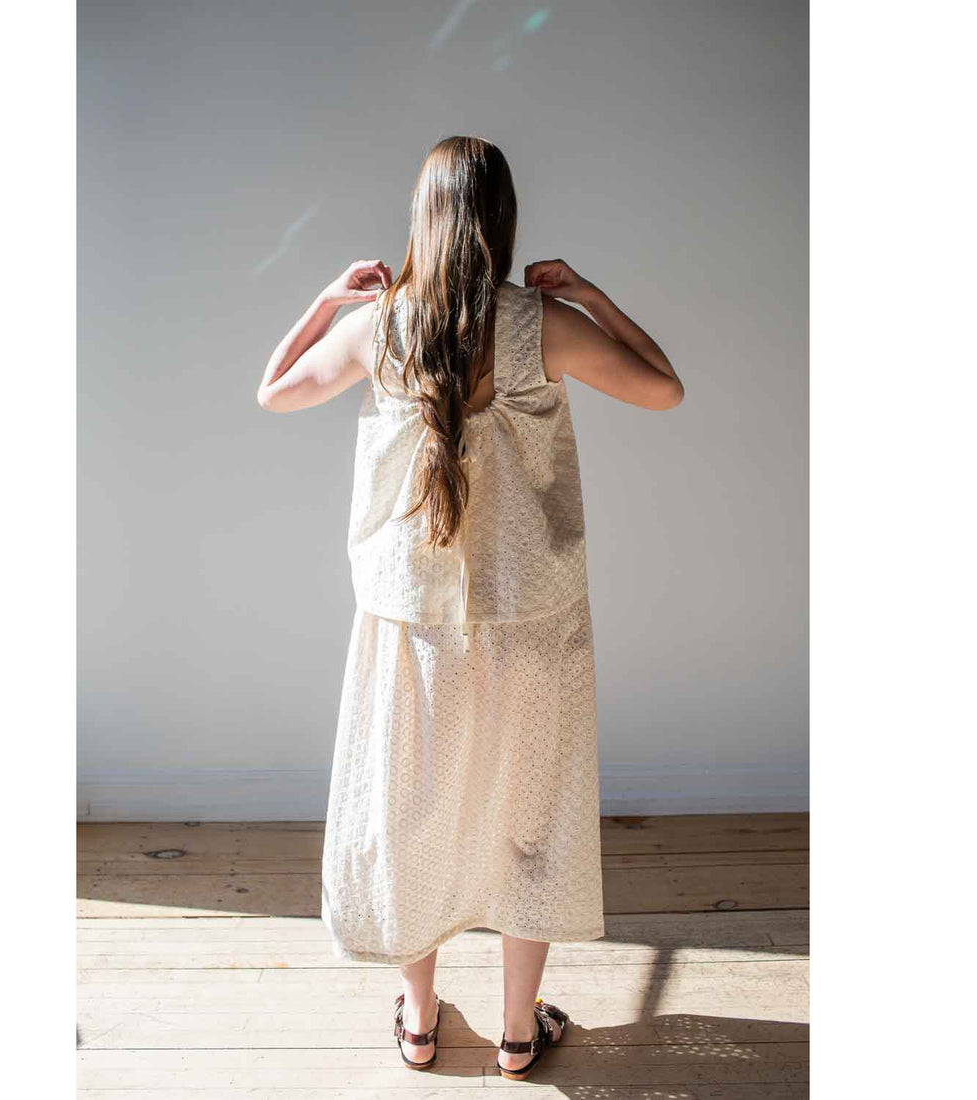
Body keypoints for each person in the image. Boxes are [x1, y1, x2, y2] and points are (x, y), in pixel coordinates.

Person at [258, 136, 683, 1079]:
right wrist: (590, 298)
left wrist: (328, 301)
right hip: (534, 622)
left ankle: (418, 1023)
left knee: (412, 818)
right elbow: (665, 388)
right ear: (502, 221)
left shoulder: (382, 327)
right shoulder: (543, 326)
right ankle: (519, 1033)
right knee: (533, 823)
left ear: (425, 219)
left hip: (413, 631)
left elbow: (273, 391)